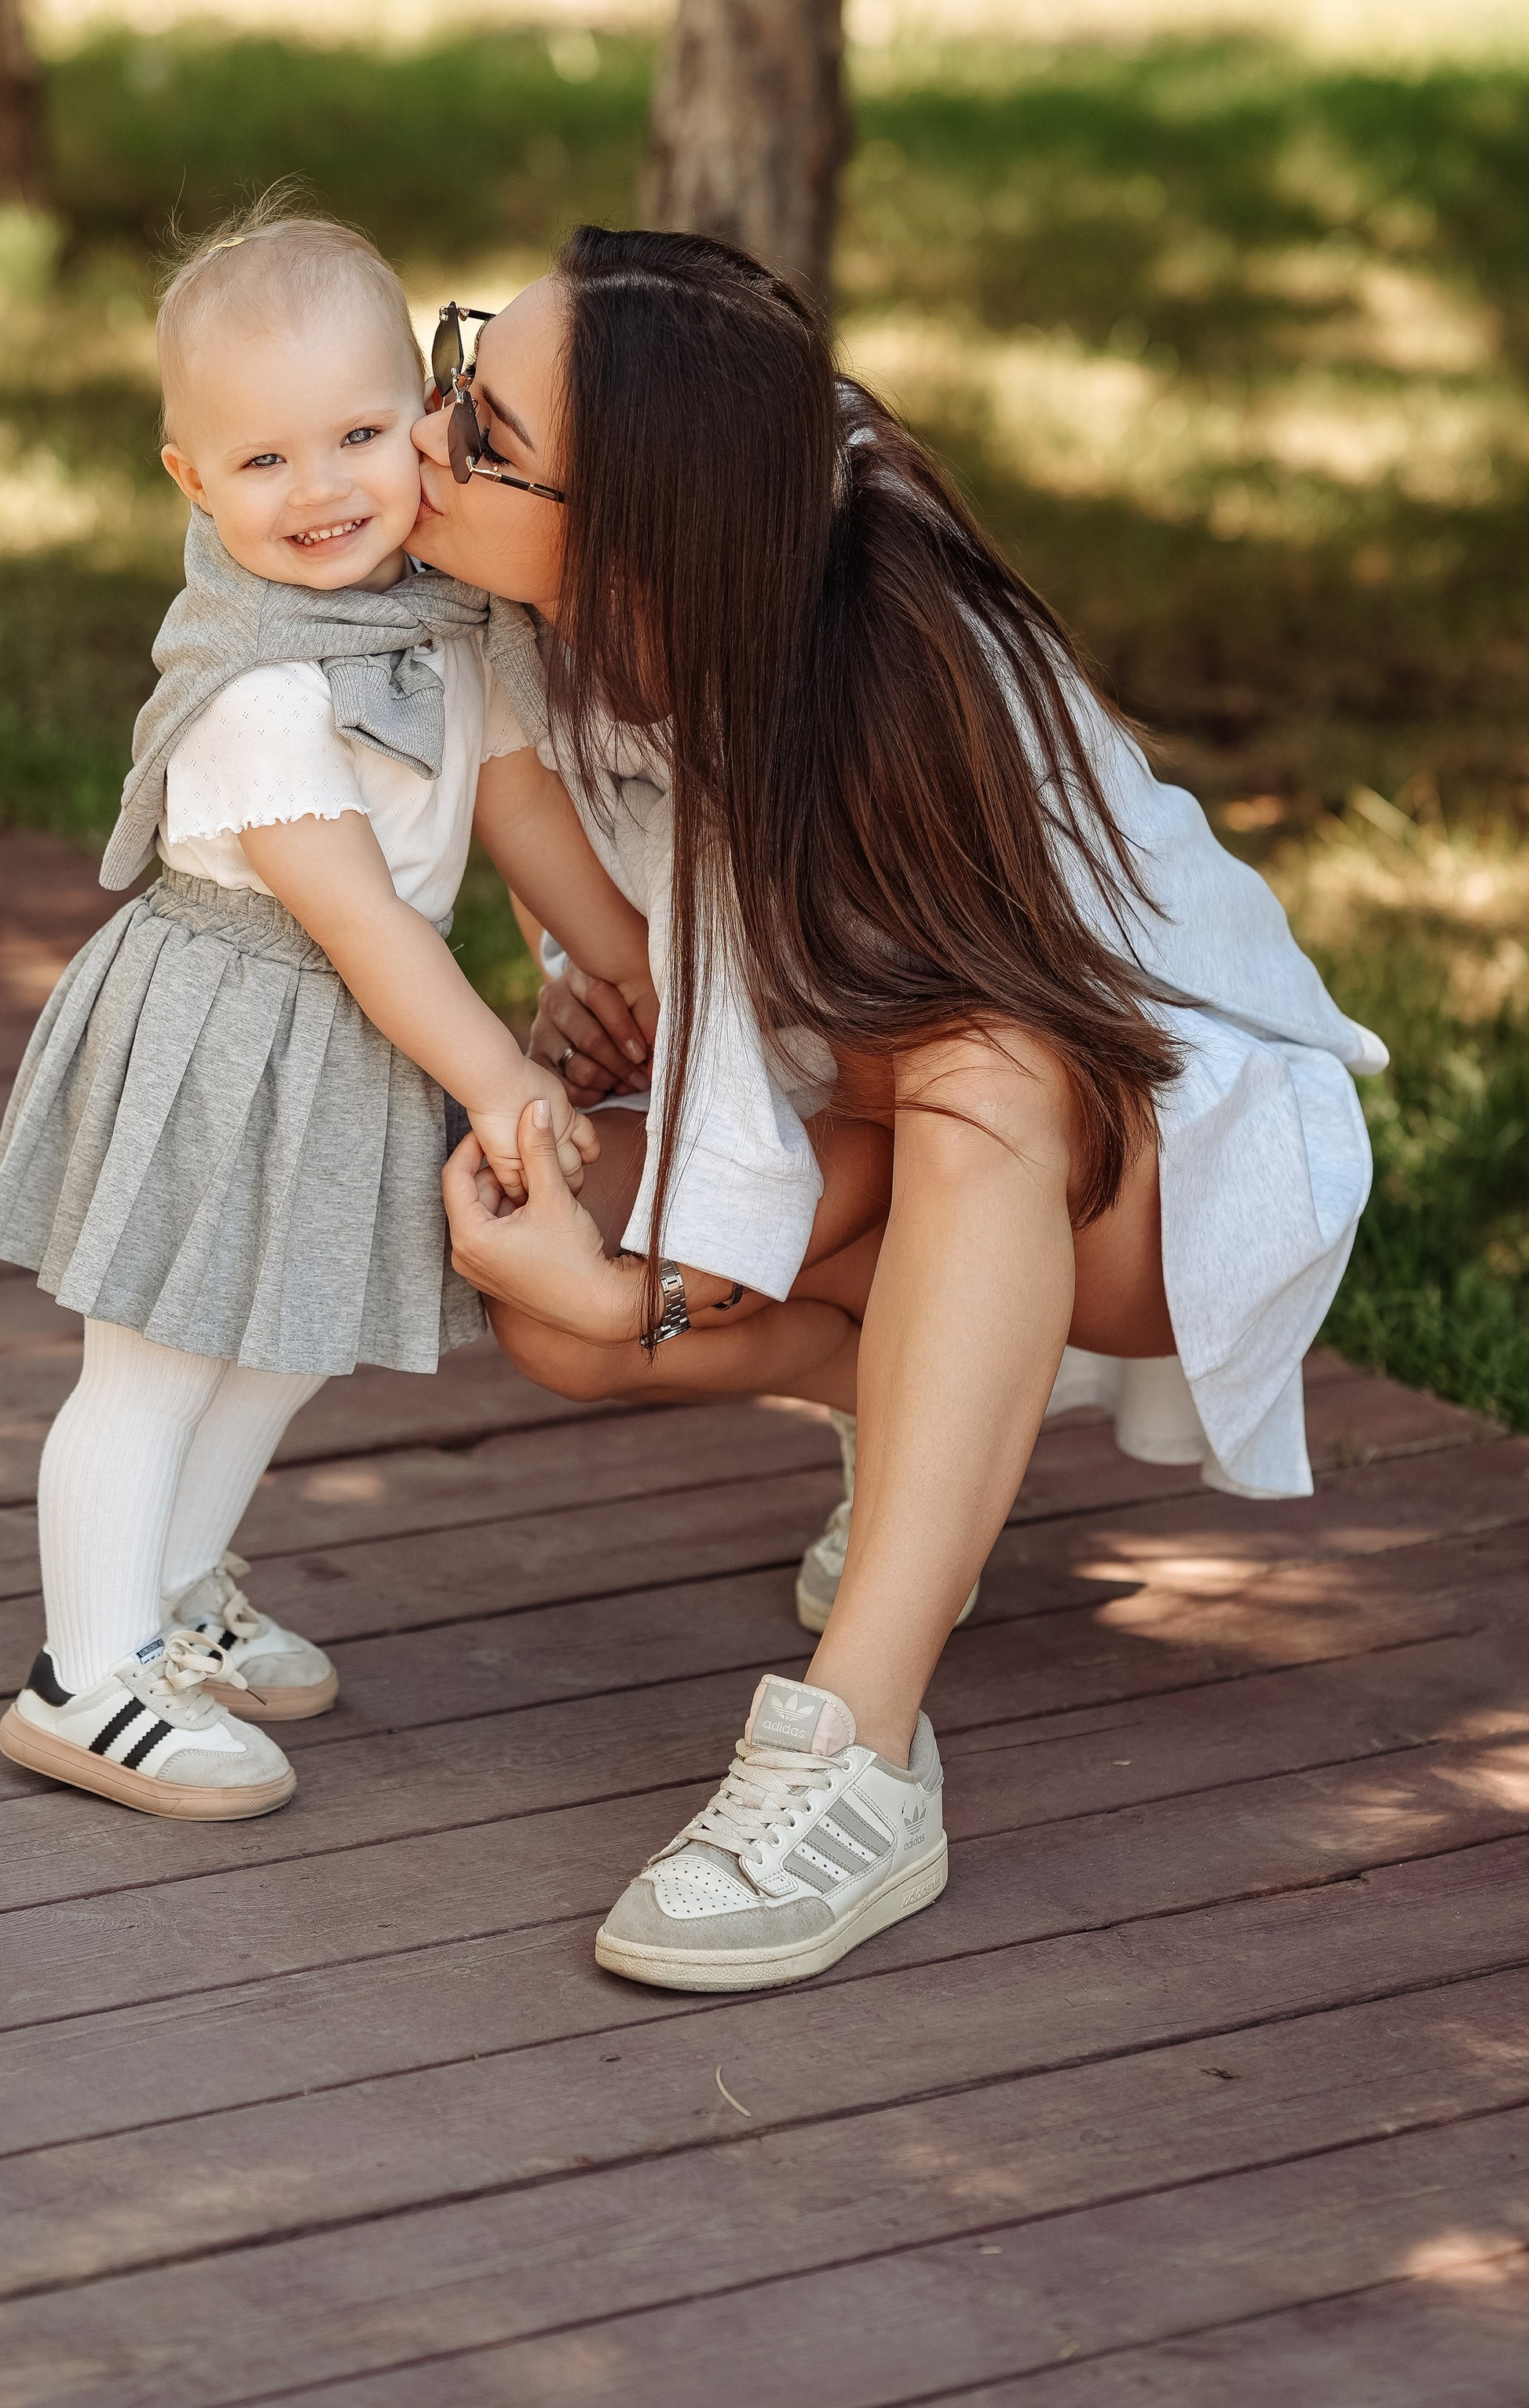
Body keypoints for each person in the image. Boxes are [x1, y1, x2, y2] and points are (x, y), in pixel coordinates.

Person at [409, 225, 1387, 1992]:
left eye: (478, 432)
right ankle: (928, 1424)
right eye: (455, 370)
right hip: (883, 1104)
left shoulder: (880, 666)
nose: (423, 436)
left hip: (1166, 1148)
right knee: (538, 1290)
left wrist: (662, 1286)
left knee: (970, 1066)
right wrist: (599, 1021)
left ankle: (855, 1756)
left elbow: (985, 1051)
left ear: (635, 544)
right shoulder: (614, 598)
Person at [0, 203, 652, 1823]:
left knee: (275, 1351)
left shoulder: (433, 621)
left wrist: (629, 962)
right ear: (189, 483)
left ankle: (181, 1584)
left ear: (428, 416)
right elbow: (356, 919)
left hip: (346, 1035)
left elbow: (517, 804)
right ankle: (85, 1673)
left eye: (358, 432)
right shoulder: (261, 688)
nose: (326, 487)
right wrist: (499, 1077)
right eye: (263, 461)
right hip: (227, 1025)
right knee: (152, 1359)